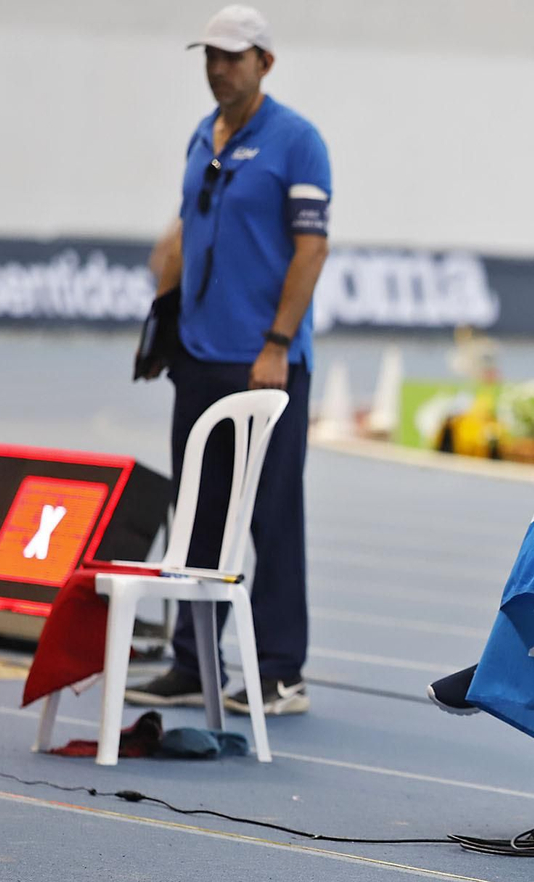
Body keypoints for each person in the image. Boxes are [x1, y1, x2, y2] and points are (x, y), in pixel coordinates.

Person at [126, 4, 331, 717]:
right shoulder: (200, 135)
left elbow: (312, 249)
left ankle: (279, 673)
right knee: (197, 515)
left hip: (265, 366)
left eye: (233, 56)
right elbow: (186, 227)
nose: (218, 68)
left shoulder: (297, 142)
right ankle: (192, 661)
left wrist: (276, 344)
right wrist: (162, 324)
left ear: (264, 64)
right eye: (210, 55)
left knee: (270, 516)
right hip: (200, 358)